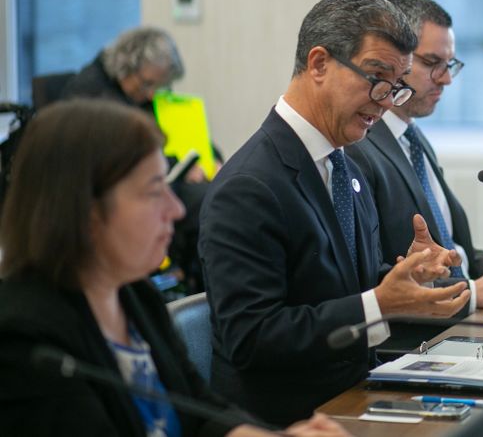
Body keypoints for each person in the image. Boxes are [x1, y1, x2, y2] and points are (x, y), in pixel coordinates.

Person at [198, 0, 470, 425]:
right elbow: (251, 338)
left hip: (355, 397)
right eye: (377, 78)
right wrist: (381, 302)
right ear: (319, 63)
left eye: (398, 86)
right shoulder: (250, 185)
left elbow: (340, 289)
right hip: (290, 421)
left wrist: (405, 280)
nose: (385, 102)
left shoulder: (344, 166)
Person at [0, 99, 348, 437]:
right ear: (85, 210)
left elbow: (198, 406)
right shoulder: (21, 337)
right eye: (154, 191)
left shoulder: (135, 295)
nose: (177, 209)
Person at [347, 0, 483, 318]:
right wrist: (474, 293)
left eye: (450, 65)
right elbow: (375, 281)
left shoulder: (412, 138)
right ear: (396, 58)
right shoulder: (358, 147)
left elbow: (456, 253)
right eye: (432, 63)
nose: (445, 79)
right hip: (418, 336)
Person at [62, 26, 213, 293]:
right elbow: (125, 155)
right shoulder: (93, 97)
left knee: (213, 194)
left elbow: (169, 131)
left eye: (159, 86)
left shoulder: (131, 91)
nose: (152, 94)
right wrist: (177, 164)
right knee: (206, 203)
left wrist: (213, 158)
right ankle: (201, 292)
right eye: (147, 84)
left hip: (156, 177)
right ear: (125, 67)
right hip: (124, 186)